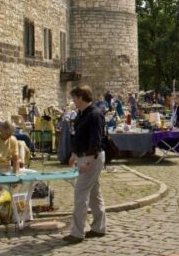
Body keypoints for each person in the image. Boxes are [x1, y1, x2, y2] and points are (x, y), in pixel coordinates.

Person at [63, 86, 107, 244]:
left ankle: (77, 233)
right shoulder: (81, 114)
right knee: (94, 193)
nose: (73, 101)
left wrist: (87, 162)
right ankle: (99, 227)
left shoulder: (95, 114)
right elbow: (79, 137)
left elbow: (95, 140)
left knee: (80, 194)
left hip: (92, 158)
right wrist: (74, 155)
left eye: (74, 98)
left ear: (81, 97)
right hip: (84, 156)